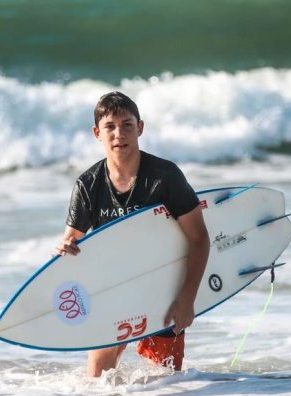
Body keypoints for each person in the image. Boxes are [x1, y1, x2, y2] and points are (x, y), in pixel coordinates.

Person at [54, 91, 210, 377]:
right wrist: (66, 248)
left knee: (165, 385)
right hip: (115, 289)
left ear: (140, 127)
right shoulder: (88, 185)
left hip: (164, 289)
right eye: (109, 127)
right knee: (98, 385)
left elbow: (198, 238)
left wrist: (186, 300)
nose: (119, 134)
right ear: (96, 133)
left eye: (127, 125)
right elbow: (71, 240)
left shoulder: (165, 177)